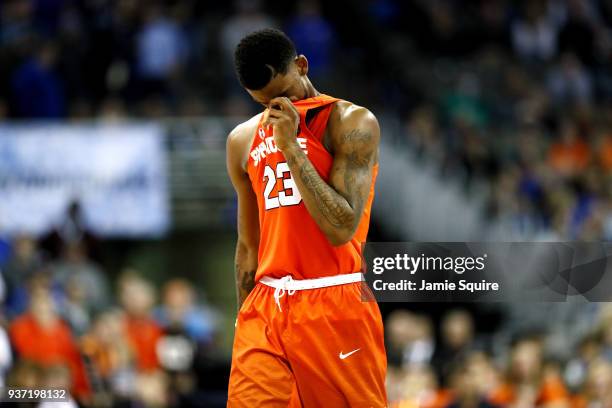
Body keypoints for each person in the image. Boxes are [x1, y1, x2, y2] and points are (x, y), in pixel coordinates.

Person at [225, 28, 386, 407]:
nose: (279, 108)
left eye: (285, 94)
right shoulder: (242, 140)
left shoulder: (352, 122)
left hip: (334, 298)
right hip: (266, 305)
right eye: (265, 102)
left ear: (301, 66)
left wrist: (291, 151)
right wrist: (244, 317)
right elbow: (249, 246)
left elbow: (341, 228)